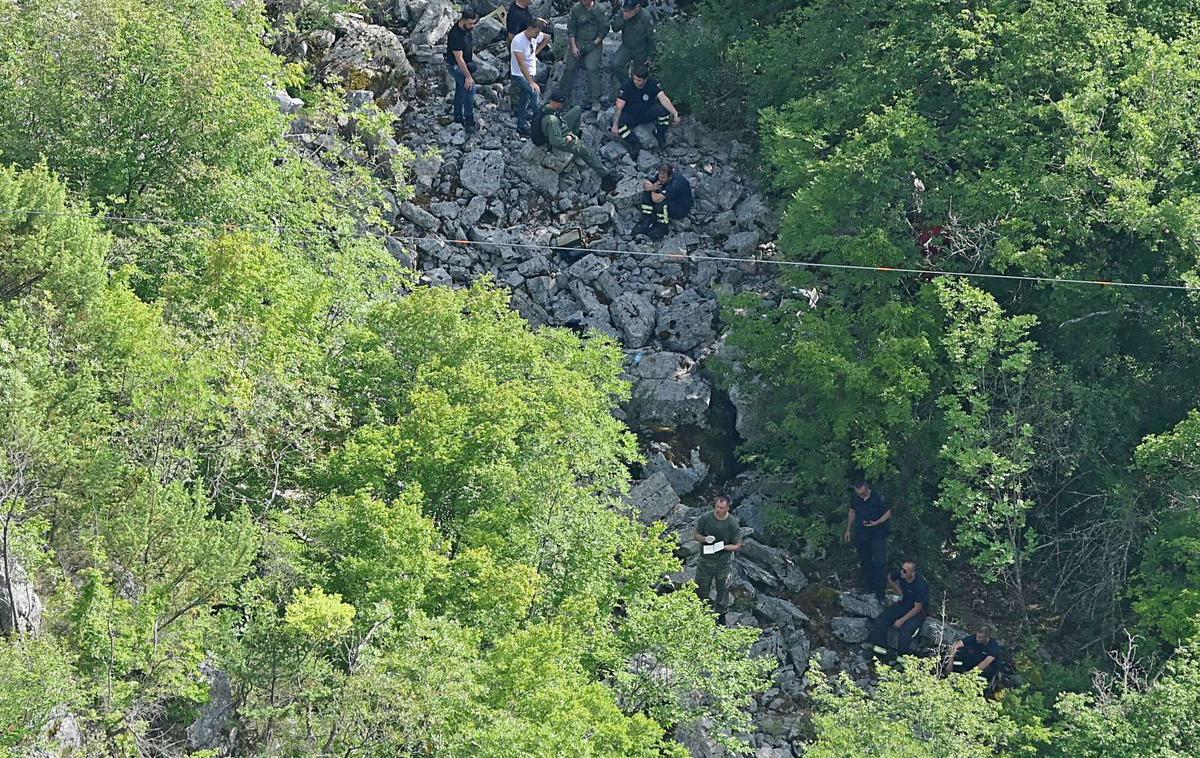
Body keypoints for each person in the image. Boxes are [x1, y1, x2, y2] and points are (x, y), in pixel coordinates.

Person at [539, 92, 620, 189]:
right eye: (561, 103)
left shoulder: (547, 108)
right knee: (586, 151)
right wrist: (567, 139)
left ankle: (576, 133)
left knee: (577, 110)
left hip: (561, 128)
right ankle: (606, 176)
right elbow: (554, 141)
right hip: (560, 138)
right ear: (557, 103)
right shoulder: (551, 120)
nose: (562, 105)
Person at [611, 65, 680, 155]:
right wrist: (615, 125)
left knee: (663, 111)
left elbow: (663, 98)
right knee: (619, 124)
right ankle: (634, 144)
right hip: (632, 115)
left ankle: (660, 134)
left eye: (639, 80)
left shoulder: (652, 83)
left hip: (647, 112)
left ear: (645, 79)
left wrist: (675, 114)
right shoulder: (627, 85)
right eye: (634, 79)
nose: (636, 82)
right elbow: (619, 106)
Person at [868, 560, 929, 658]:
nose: (901, 572)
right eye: (902, 569)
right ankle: (881, 651)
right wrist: (899, 590)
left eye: (905, 571)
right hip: (905, 603)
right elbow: (890, 577)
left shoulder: (920, 585)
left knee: (905, 631)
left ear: (912, 573)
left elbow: (917, 608)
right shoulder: (900, 574)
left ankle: (902, 658)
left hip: (918, 611)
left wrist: (901, 620)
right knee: (883, 618)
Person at [843, 476, 891, 600]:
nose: (861, 495)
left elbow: (887, 513)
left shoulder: (877, 497)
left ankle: (880, 591)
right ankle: (868, 587)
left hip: (877, 533)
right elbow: (852, 512)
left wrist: (876, 522)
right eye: (858, 493)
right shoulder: (855, 498)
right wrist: (848, 530)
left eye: (863, 493)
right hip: (861, 534)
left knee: (879, 562)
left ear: (866, 487)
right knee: (865, 561)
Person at [693, 495, 742, 612]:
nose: (718, 510)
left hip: (722, 563)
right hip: (705, 561)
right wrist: (705, 539)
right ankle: (699, 613)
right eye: (717, 506)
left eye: (721, 508)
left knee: (723, 590)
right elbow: (696, 535)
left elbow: (737, 545)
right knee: (700, 589)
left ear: (727, 509)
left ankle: (720, 615)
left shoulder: (732, 524)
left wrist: (724, 547)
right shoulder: (705, 518)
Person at [560, 0, 608, 110]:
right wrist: (573, 47)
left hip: (594, 43)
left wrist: (593, 44)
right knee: (569, 68)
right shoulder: (576, 9)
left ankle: (595, 99)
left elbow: (603, 31)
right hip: (578, 42)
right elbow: (571, 30)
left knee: (592, 68)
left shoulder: (600, 10)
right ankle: (562, 96)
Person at [510, 17, 550, 136]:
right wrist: (531, 82)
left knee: (525, 99)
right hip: (519, 75)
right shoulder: (518, 40)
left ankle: (521, 125)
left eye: (538, 33)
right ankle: (539, 120)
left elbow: (547, 38)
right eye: (536, 32)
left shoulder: (535, 35)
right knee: (534, 93)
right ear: (530, 28)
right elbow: (521, 65)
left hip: (530, 73)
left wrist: (536, 51)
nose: (537, 35)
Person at [633, 163, 691, 239]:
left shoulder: (675, 183)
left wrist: (653, 189)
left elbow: (656, 199)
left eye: (663, 178)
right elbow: (645, 184)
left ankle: (662, 226)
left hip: (680, 207)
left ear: (669, 176)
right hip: (670, 199)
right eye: (660, 176)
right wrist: (652, 187)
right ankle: (647, 219)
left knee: (661, 203)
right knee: (646, 194)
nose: (660, 179)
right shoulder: (661, 176)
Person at [445, 9, 479, 134]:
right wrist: (468, 77)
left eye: (473, 23)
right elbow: (459, 59)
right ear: (463, 20)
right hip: (455, 65)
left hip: (465, 62)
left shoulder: (467, 30)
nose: (472, 26)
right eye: (470, 23)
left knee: (460, 88)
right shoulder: (455, 35)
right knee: (470, 88)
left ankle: (458, 116)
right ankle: (469, 119)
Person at [609, 0, 655, 81]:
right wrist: (623, 19)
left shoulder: (646, 17)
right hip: (626, 46)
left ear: (637, 7)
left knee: (639, 72)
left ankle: (636, 87)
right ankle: (626, 83)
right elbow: (615, 28)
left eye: (630, 10)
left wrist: (650, 56)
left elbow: (651, 38)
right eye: (626, 10)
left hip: (640, 49)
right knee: (616, 64)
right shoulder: (623, 13)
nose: (627, 12)